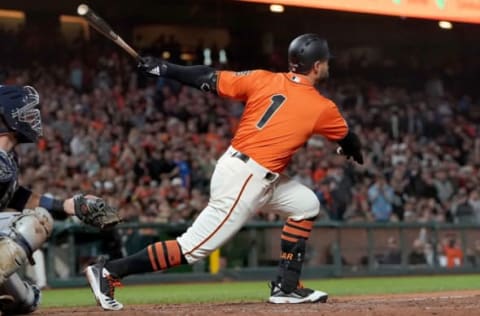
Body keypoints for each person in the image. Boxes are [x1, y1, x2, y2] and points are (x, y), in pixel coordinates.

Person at [85, 33, 363, 310]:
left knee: (306, 204)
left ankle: (287, 287)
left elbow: (206, 76)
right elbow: (349, 139)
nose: (328, 66)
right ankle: (109, 271)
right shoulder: (322, 107)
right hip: (246, 178)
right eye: (326, 62)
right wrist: (352, 152)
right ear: (316, 66)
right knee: (192, 248)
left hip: (248, 171)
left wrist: (165, 68)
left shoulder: (263, 78)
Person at [0, 85, 120, 315]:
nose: (32, 117)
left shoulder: (8, 157)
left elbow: (17, 196)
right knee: (36, 222)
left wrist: (67, 206)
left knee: (25, 301)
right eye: (25, 111)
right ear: (8, 116)